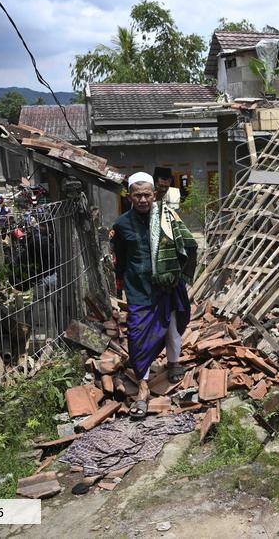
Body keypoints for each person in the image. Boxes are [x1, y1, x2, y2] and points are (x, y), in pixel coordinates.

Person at [110, 172, 198, 419]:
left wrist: (177, 272)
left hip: (167, 286)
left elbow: (186, 243)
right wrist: (120, 286)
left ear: (154, 195)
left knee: (171, 327)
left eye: (146, 195)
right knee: (137, 335)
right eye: (137, 195)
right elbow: (120, 259)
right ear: (129, 196)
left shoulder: (166, 218)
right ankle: (143, 386)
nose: (142, 200)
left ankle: (172, 363)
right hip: (138, 288)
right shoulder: (121, 224)